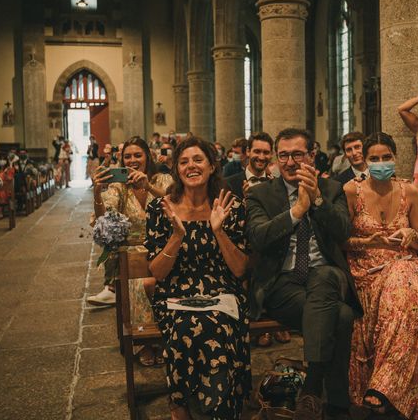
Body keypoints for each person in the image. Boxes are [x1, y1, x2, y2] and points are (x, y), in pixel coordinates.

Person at [246, 128, 360, 420]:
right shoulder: (260, 194)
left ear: (311, 155)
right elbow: (258, 237)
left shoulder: (332, 188)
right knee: (342, 316)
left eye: (297, 154)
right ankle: (335, 401)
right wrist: (297, 211)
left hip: (327, 275)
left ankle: (310, 391)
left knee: (323, 277)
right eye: (283, 155)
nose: (289, 161)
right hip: (281, 284)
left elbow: (343, 231)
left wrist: (318, 201)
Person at [344, 132, 418, 418]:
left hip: (403, 261)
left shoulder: (409, 191)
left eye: (386, 157)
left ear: (394, 158)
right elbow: (341, 241)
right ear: (364, 161)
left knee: (405, 284)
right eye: (374, 158)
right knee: (409, 296)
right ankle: (392, 385)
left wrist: (410, 233)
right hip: (366, 267)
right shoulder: (351, 191)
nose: (381, 163)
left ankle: (383, 386)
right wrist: (366, 243)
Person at [144, 137, 251, 420]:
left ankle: (207, 409)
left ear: (212, 165)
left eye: (198, 159)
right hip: (175, 293)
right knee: (190, 324)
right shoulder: (161, 209)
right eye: (184, 161)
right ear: (177, 170)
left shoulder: (231, 207)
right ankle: (194, 408)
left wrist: (219, 231)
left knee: (216, 324)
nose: (191, 166)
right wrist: (177, 236)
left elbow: (240, 270)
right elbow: (157, 273)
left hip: (223, 291)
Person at [225, 132, 292, 347]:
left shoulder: (278, 183)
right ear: (247, 153)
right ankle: (254, 321)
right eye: (256, 151)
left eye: (265, 152)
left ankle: (277, 322)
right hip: (240, 241)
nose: (261, 156)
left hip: (267, 242)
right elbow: (225, 218)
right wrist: (246, 202)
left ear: (271, 155)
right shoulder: (230, 183)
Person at [88, 136, 172, 307]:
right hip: (129, 247)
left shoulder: (163, 179)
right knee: (108, 228)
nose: (132, 160)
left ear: (147, 157)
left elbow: (175, 203)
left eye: (137, 155)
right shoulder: (119, 186)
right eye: (127, 156)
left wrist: (148, 186)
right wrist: (97, 193)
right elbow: (104, 217)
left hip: (163, 243)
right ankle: (112, 287)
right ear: (122, 160)